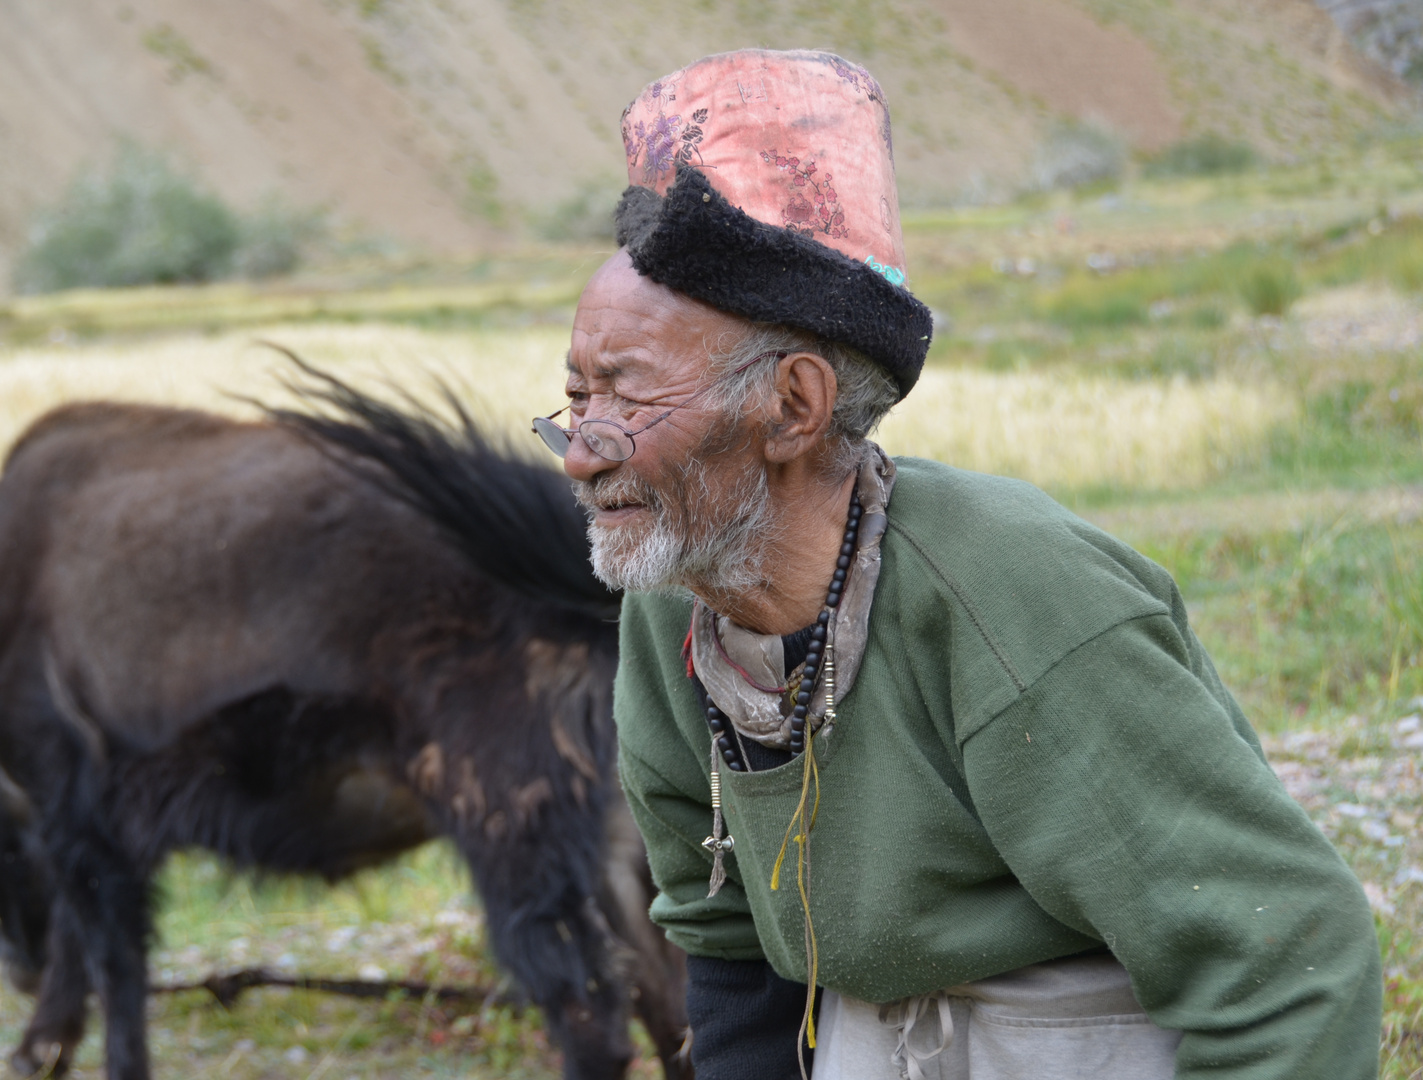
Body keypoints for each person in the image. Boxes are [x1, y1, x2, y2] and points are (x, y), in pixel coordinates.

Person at [530, 49, 1381, 1080]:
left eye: (625, 399)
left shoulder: (1014, 602)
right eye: (576, 400)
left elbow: (1283, 961)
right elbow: (726, 948)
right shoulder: (671, 601)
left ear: (792, 408)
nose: (582, 451)